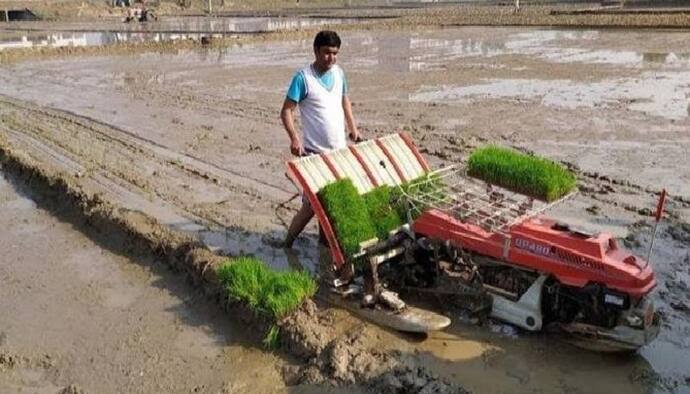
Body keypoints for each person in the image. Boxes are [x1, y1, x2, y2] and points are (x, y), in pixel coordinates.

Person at [280, 30, 361, 249]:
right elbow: (286, 111)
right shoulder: (303, 79)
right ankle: (287, 243)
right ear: (316, 51)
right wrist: (294, 139)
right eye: (326, 53)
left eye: (335, 53)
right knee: (312, 206)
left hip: (339, 152)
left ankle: (326, 245)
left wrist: (352, 129)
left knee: (335, 200)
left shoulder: (339, 74)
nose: (331, 58)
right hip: (314, 154)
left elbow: (345, 101)